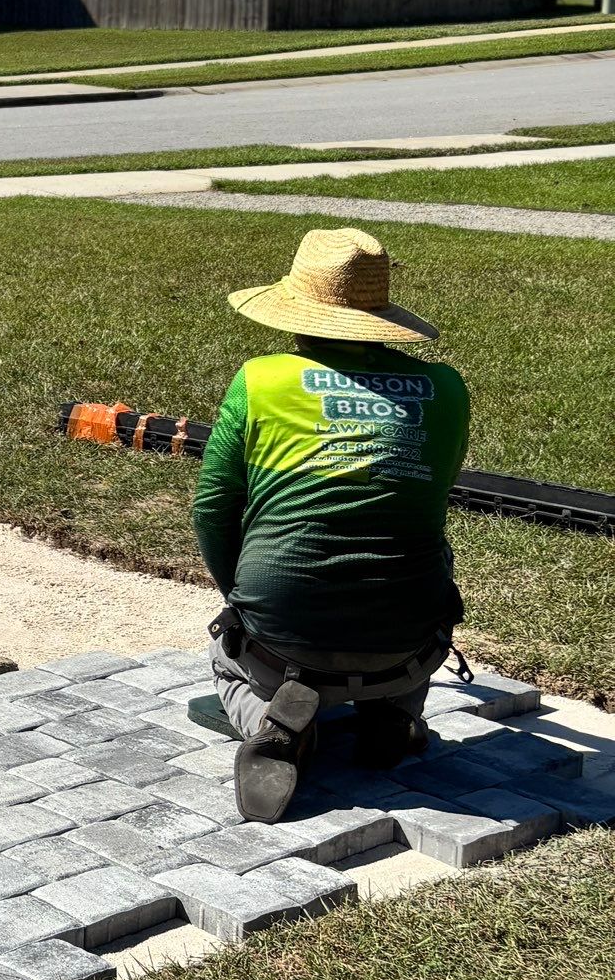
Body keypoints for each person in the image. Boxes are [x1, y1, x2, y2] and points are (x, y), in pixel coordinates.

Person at [191, 226, 469, 824]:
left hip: (279, 636)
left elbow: (213, 508)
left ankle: (273, 724)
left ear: (295, 310)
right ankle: (395, 713)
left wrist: (239, 602)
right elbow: (425, 501)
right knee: (428, 573)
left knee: (223, 654)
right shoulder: (445, 388)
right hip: (405, 644)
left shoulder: (261, 379)